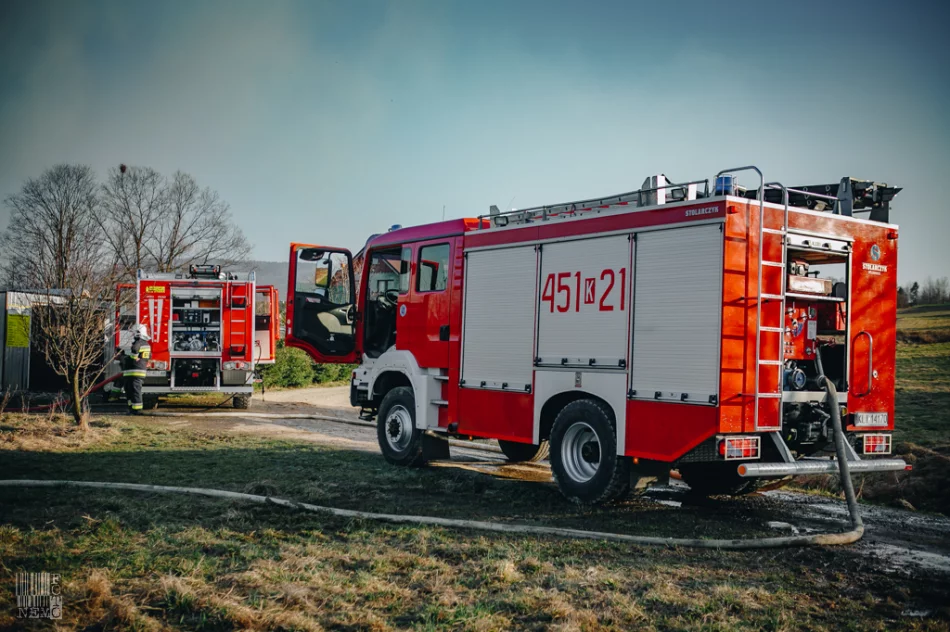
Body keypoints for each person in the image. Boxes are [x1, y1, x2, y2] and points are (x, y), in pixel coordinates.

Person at [123, 324, 151, 414]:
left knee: (134, 391)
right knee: (131, 390)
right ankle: (132, 408)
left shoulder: (138, 342)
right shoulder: (146, 344)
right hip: (137, 371)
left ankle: (136, 410)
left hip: (135, 371)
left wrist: (133, 357)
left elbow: (135, 350)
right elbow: (149, 356)